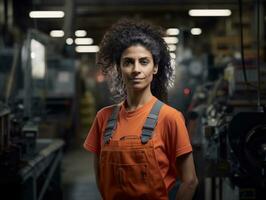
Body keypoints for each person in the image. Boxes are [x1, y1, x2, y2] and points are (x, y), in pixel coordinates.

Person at [83, 18, 198, 200]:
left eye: (144, 62)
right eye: (128, 62)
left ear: (155, 68)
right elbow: (101, 176)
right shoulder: (103, 118)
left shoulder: (170, 118)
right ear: (119, 68)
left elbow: (190, 181)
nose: (136, 69)